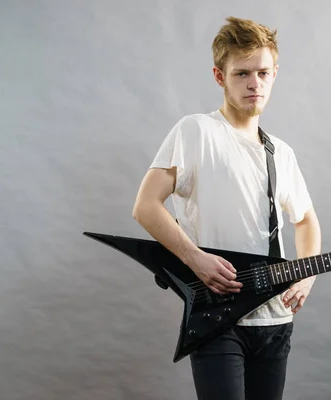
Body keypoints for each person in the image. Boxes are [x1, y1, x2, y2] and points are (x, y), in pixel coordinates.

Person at [132, 16, 321, 400]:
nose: (255, 83)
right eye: (242, 74)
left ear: (275, 74)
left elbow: (305, 221)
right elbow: (145, 206)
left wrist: (307, 275)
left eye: (264, 73)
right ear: (220, 77)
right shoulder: (195, 131)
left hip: (276, 321)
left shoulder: (280, 152)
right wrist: (195, 258)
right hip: (218, 319)